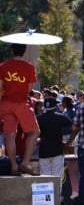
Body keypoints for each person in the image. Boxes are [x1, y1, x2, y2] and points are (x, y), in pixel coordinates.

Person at [0, 43, 41, 175]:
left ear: (12, 50)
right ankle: (25, 162)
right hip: (21, 103)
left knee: (9, 135)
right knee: (34, 132)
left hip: (6, 103)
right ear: (24, 51)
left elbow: (0, 87)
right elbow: (29, 89)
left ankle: (13, 166)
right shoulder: (29, 67)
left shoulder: (3, 66)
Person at [36, 97, 72, 177]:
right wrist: (69, 142)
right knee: (57, 177)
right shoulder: (61, 117)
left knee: (44, 178)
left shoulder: (39, 118)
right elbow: (74, 128)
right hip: (58, 151)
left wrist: (37, 140)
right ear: (55, 106)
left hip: (43, 151)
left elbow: (32, 132)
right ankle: (57, 190)